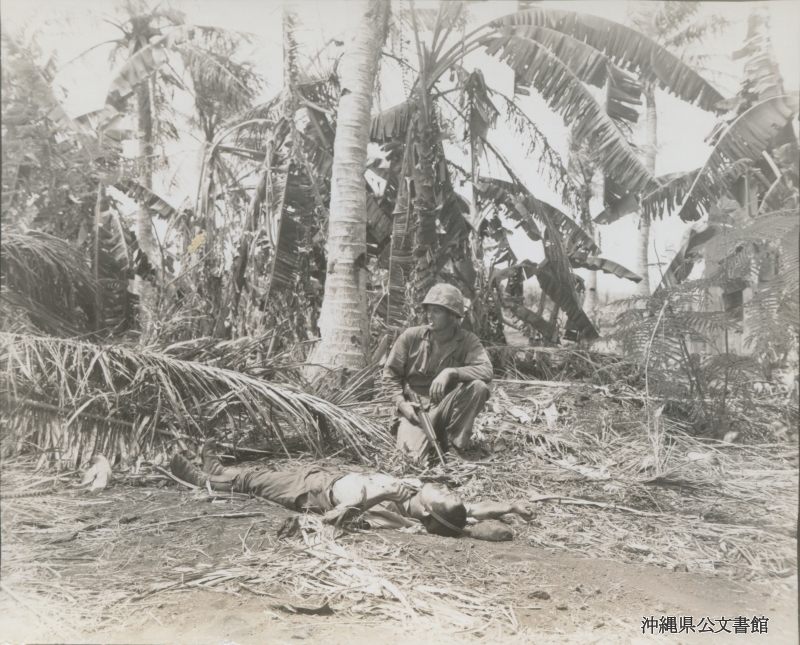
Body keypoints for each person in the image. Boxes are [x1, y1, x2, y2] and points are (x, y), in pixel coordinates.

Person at [171, 440, 533, 540]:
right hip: (328, 474)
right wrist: (511, 506)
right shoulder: (434, 507)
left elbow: (334, 520)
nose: (428, 488)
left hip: (316, 492)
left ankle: (201, 479)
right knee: (263, 472)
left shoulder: (400, 519)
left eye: (432, 495)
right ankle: (218, 471)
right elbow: (475, 509)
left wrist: (379, 494)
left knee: (255, 483)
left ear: (427, 514)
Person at [384, 283, 492, 462]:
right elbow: (390, 376)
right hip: (415, 410)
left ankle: (455, 445)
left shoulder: (467, 340)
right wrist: (402, 404)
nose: (429, 315)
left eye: (437, 311)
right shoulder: (411, 337)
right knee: (411, 459)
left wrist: (451, 372)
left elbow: (486, 370)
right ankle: (432, 437)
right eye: (428, 310)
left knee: (478, 387)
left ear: (453, 315)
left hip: (445, 406)